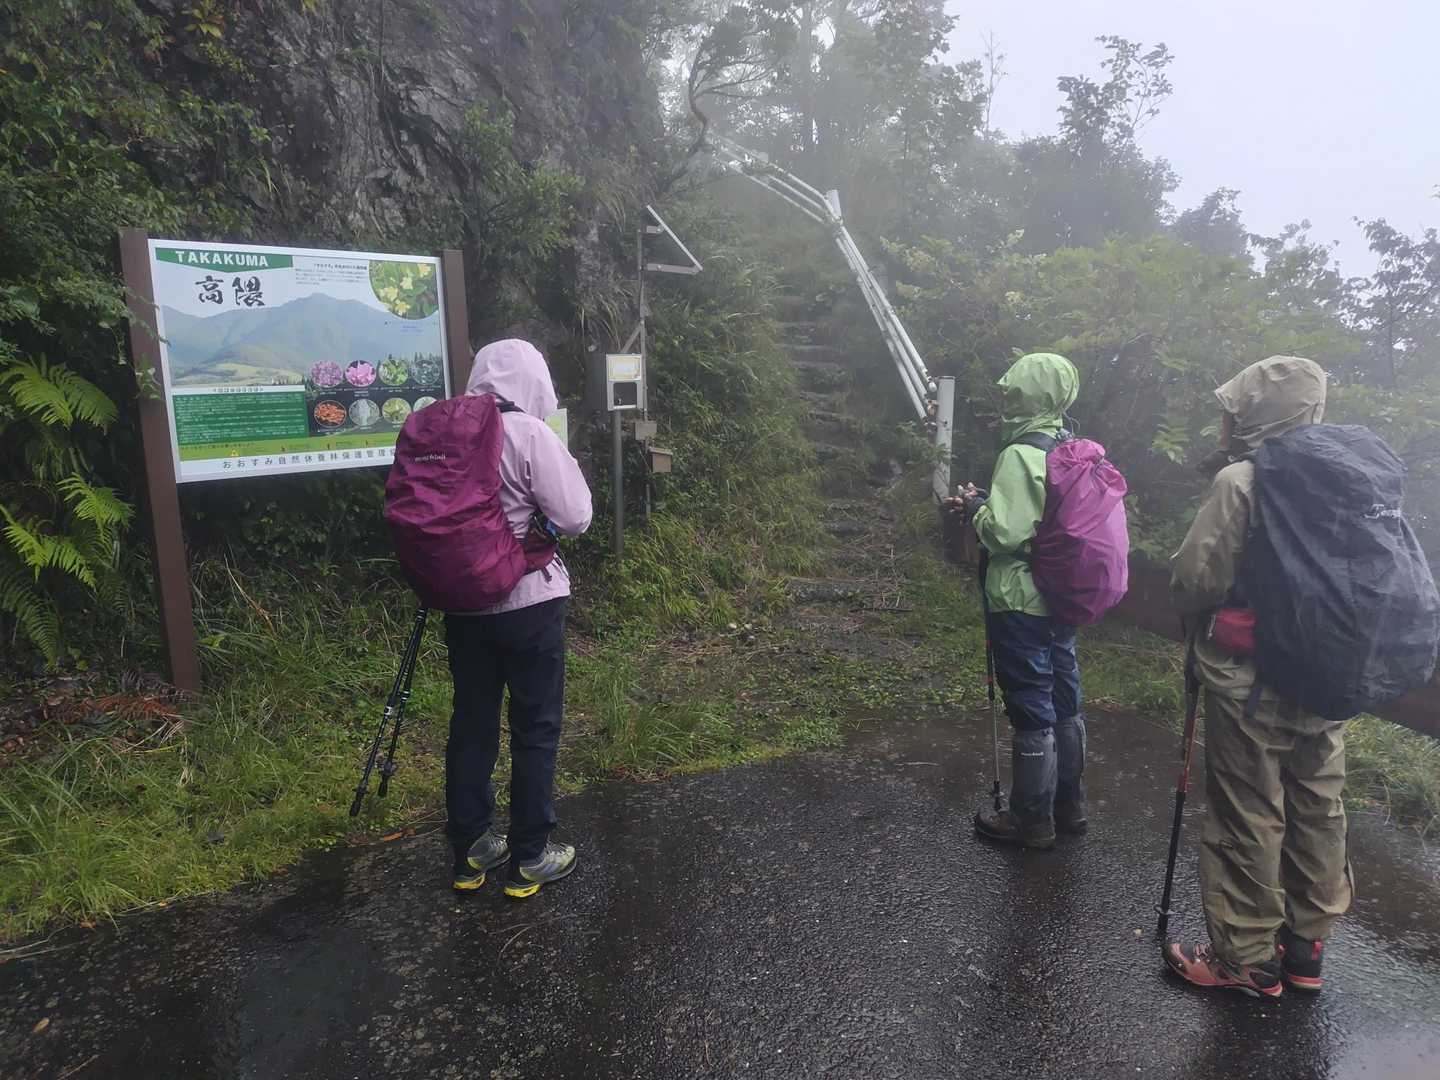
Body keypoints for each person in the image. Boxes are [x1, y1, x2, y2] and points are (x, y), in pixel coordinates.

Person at [1164, 355, 1349, 997]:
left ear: (1257, 413)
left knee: (1249, 812)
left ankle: (1244, 958)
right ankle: (1304, 950)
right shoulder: (1349, 478)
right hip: (1329, 679)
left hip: (1251, 680)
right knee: (1317, 806)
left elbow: (1195, 578)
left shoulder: (1243, 481)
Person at [446, 339, 593, 898]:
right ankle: (531, 854)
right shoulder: (530, 433)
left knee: (472, 725)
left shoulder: (449, 434)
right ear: (534, 380)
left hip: (463, 604)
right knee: (534, 727)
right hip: (530, 601)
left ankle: (471, 850)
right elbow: (575, 517)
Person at [953, 352, 1087, 851]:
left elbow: (1005, 533)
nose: (1006, 397)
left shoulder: (1019, 453)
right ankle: (1069, 808)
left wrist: (975, 507)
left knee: (1031, 705)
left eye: (1012, 390)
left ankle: (1031, 820)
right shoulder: (1071, 448)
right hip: (1062, 594)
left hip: (1019, 598)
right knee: (1066, 701)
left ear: (1027, 394)